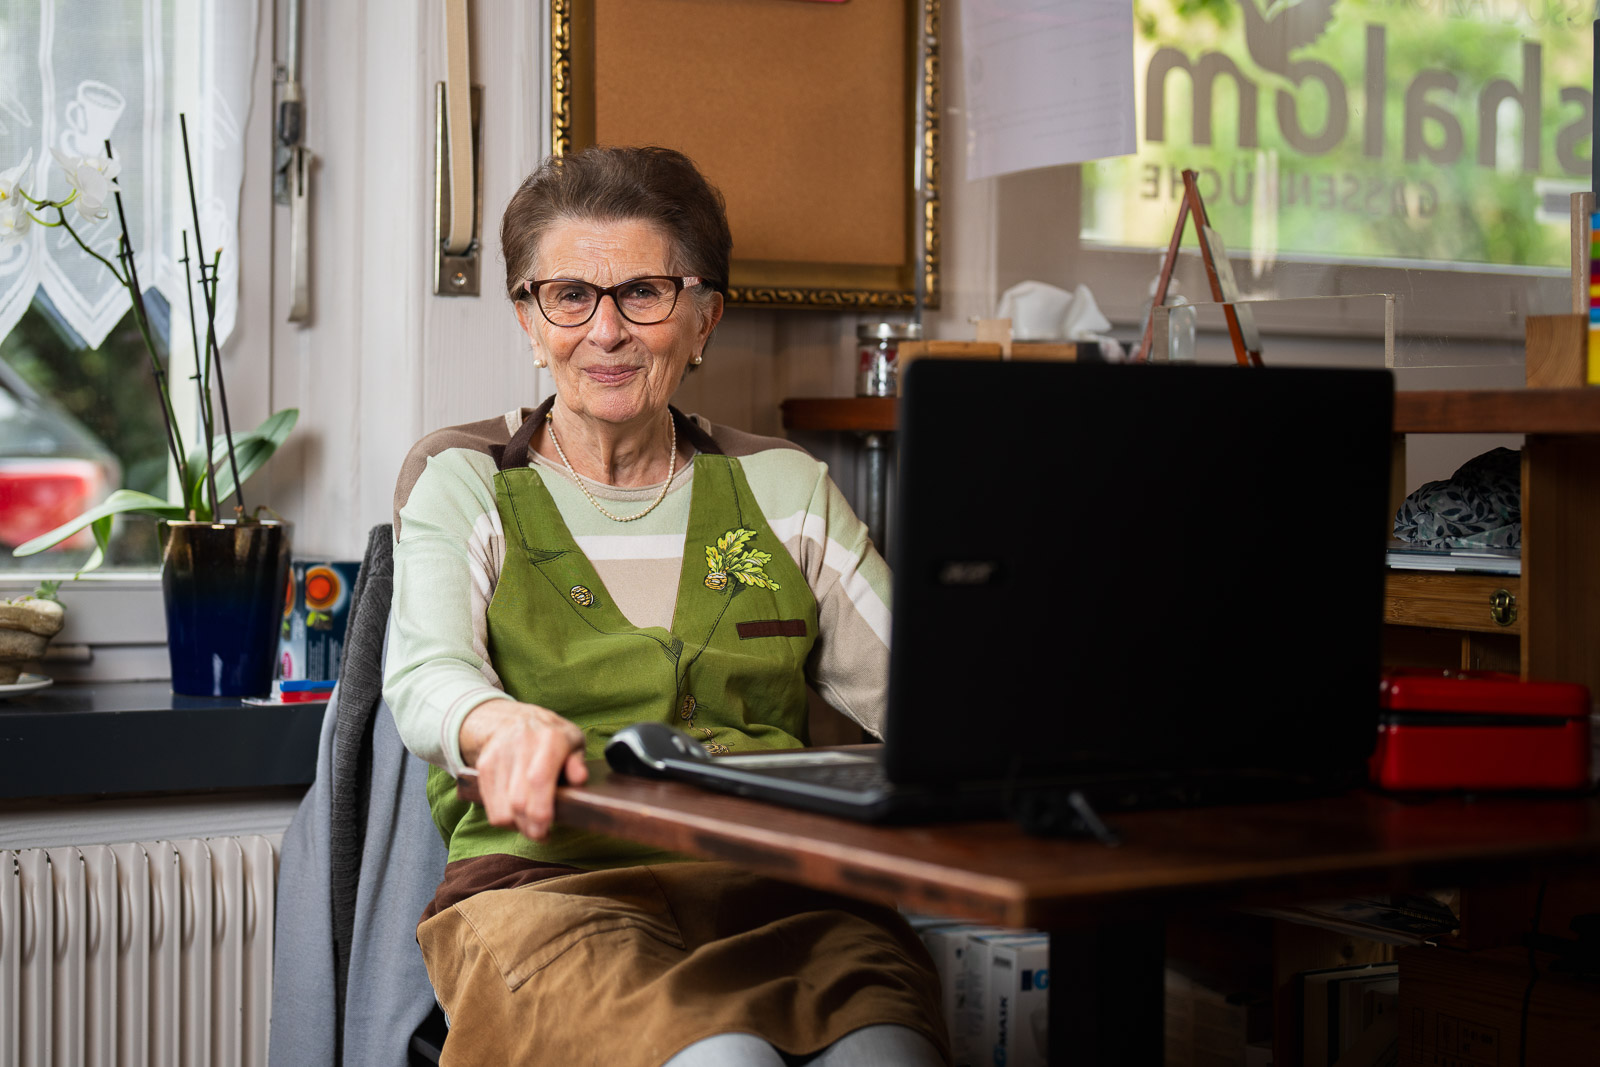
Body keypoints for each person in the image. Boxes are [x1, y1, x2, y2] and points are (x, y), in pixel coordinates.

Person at [383, 145, 947, 1067]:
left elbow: (929, 700)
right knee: (726, 1063)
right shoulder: (466, 485)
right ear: (530, 320)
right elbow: (425, 672)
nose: (605, 330)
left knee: (891, 1056)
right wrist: (502, 724)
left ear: (704, 317)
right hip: (548, 894)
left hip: (786, 891)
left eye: (644, 292)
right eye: (568, 295)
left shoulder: (787, 491)